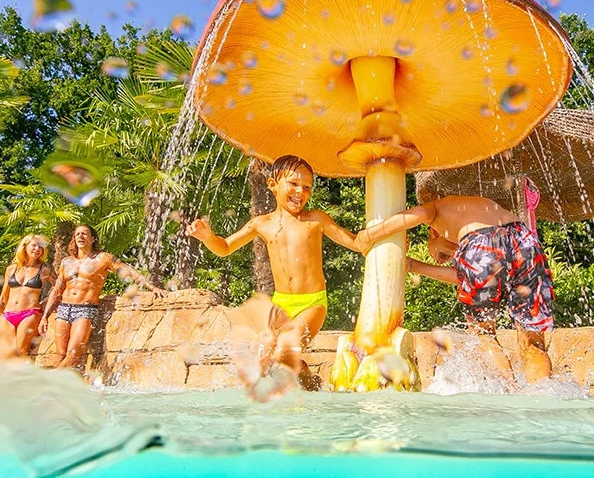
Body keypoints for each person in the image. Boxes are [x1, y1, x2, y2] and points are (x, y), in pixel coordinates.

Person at [186, 155, 363, 387]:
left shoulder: (315, 220)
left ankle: (300, 377)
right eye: (293, 184)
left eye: (307, 187)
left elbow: (356, 243)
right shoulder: (261, 223)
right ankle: (309, 383)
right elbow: (225, 247)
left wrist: (386, 237)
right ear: (272, 185)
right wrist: (207, 236)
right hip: (280, 305)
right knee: (261, 362)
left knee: (281, 354)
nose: (301, 191)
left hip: (312, 304)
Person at [353, 193, 554, 382]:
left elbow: (421, 214)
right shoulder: (475, 212)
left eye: (442, 255)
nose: (447, 258)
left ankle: (507, 396)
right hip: (526, 242)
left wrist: (370, 234)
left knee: (483, 335)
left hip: (483, 240)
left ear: (433, 232)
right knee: (533, 344)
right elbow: (466, 277)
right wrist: (414, 266)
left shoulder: (438, 208)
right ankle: (543, 395)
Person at [42, 224, 165, 370]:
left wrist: (152, 287)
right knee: (61, 355)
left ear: (92, 238)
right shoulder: (67, 261)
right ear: (74, 239)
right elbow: (57, 289)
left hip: (85, 309)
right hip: (63, 309)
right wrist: (45, 316)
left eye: (85, 234)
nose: (80, 236)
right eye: (77, 234)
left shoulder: (103, 258)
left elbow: (128, 271)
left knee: (73, 355)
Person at [0, 234, 53, 356]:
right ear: (25, 246)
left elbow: (59, 288)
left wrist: (47, 302)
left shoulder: (44, 270)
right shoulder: (12, 269)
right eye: (34, 245)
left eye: (40, 247)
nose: (37, 249)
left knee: (21, 352)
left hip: (29, 314)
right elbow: (3, 296)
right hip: (8, 314)